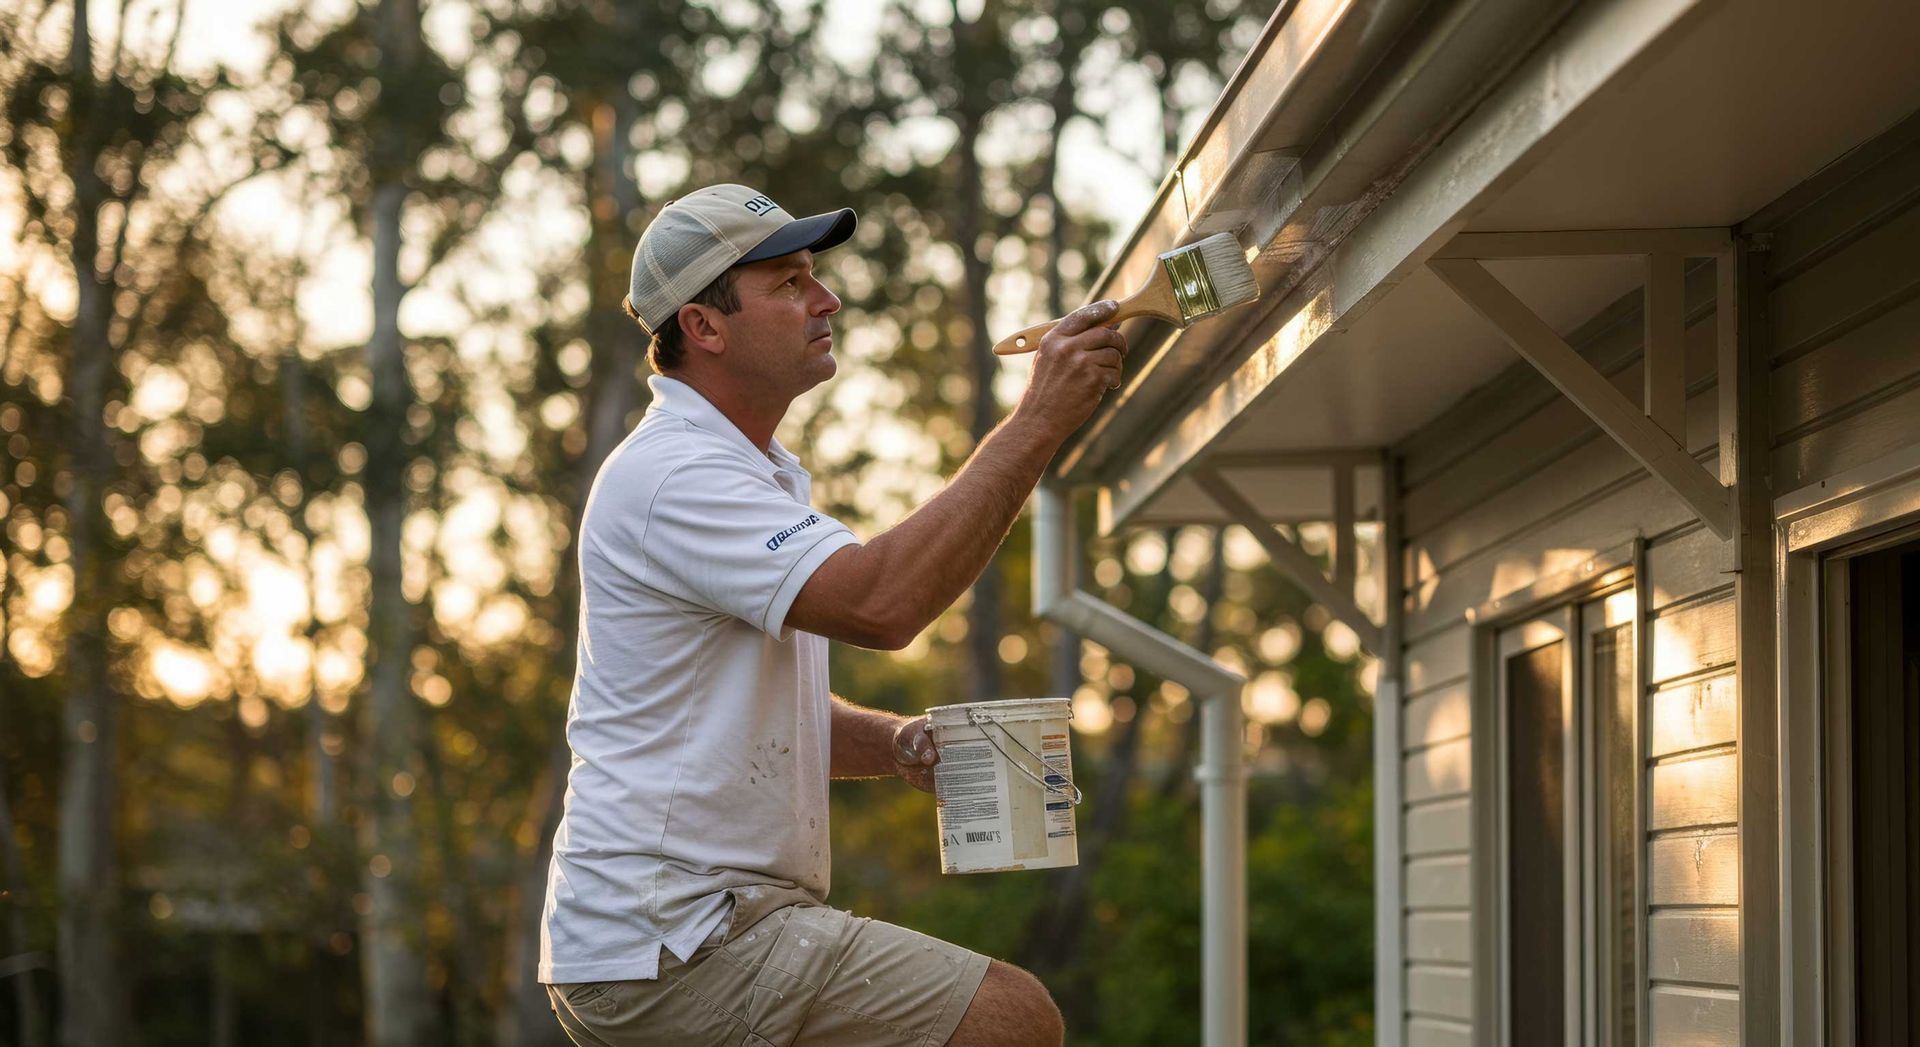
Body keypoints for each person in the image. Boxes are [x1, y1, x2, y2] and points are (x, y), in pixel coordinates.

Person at [539, 183, 1125, 1047]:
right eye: (788, 283)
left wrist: (892, 744)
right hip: (676, 942)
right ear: (704, 326)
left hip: (668, 937)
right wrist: (1037, 419)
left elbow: (745, 720)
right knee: (1010, 1017)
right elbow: (882, 602)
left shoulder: (746, 471)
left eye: (814, 275)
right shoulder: (678, 474)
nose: (828, 299)